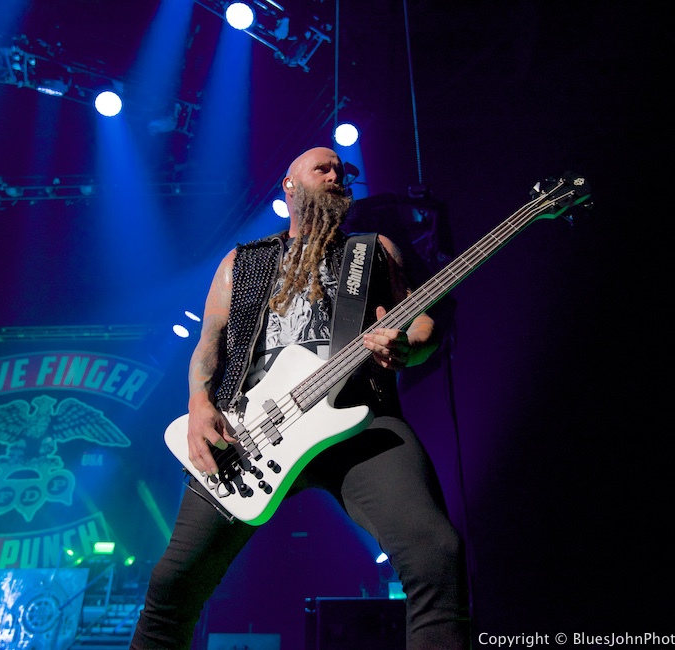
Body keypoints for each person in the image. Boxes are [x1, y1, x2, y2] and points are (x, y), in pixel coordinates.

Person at [130, 147, 471, 649]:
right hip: (249, 434)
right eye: (323, 168)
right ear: (289, 186)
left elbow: (420, 321)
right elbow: (208, 348)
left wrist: (409, 344)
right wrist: (200, 405)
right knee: (171, 585)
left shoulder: (373, 249)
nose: (337, 175)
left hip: (360, 419)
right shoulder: (241, 262)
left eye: (342, 170)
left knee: (436, 554)